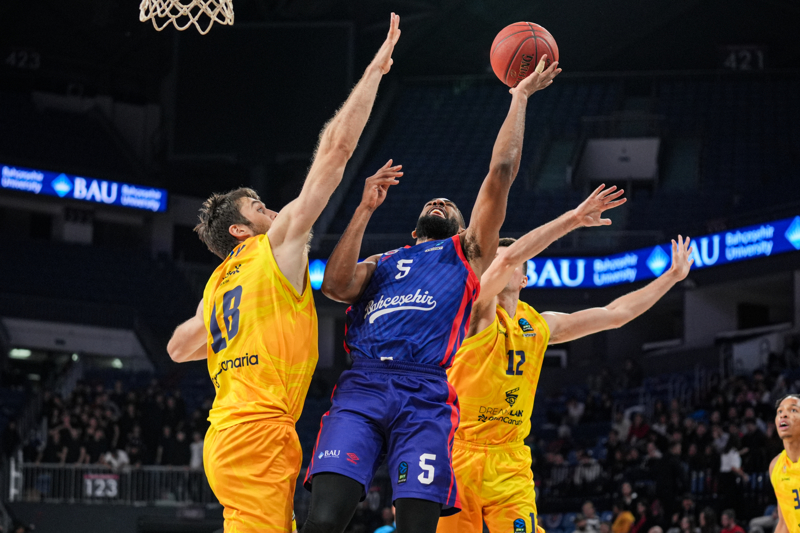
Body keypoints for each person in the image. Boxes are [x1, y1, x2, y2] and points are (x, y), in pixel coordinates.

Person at [302, 51, 562, 533]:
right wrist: (363, 209)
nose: (439, 201)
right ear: (415, 228)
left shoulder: (466, 255)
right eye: (432, 201)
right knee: (324, 518)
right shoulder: (384, 261)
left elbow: (500, 174)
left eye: (449, 204)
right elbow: (335, 286)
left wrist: (520, 98)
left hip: (425, 392)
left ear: (464, 231)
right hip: (364, 384)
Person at [165, 13, 403, 533]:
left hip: (226, 435)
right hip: (258, 432)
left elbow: (178, 347)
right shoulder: (273, 248)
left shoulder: (217, 283)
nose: (272, 209)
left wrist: (229, 335)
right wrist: (374, 73)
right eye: (258, 207)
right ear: (239, 231)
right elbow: (336, 152)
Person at [438, 202, 694, 532]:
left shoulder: (540, 325)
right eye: (497, 262)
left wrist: (671, 277)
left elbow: (616, 314)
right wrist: (573, 219)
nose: (503, 264)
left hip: (510, 461)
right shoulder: (474, 309)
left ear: (524, 279)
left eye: (512, 261)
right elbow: (501, 258)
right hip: (459, 452)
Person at [769, 395, 800, 532]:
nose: (783, 415)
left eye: (793, 410)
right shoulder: (776, 466)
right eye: (780, 411)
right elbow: (784, 523)